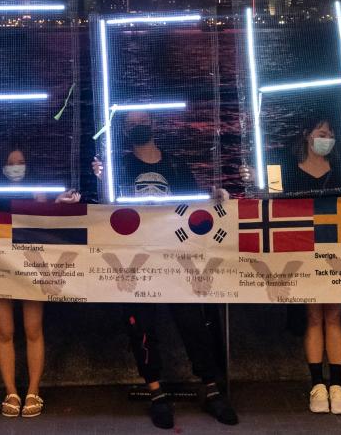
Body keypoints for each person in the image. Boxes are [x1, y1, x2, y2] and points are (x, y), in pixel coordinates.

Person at [93, 109, 238, 429]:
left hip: (176, 257)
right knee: (140, 327)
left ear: (153, 125)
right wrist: (101, 182)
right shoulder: (117, 168)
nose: (137, 128)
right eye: (131, 125)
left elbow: (195, 206)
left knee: (194, 323)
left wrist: (215, 199)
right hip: (136, 259)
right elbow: (104, 212)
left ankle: (211, 389)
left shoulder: (175, 165)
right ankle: (155, 391)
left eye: (141, 122)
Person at [242, 113, 341, 416]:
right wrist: (253, 182)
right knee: (312, 317)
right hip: (303, 257)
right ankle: (316, 385)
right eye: (322, 132)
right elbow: (267, 199)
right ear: (307, 135)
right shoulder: (286, 173)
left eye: (331, 133)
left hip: (337, 257)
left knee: (334, 315)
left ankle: (336, 385)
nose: (326, 138)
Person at [0, 143, 80, 419]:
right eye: (11, 161)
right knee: (4, 331)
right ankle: (10, 391)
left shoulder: (39, 191)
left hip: (30, 265)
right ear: (2, 167)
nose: (16, 166)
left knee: (33, 329)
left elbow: (47, 222)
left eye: (20, 161)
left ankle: (34, 390)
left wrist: (53, 203)